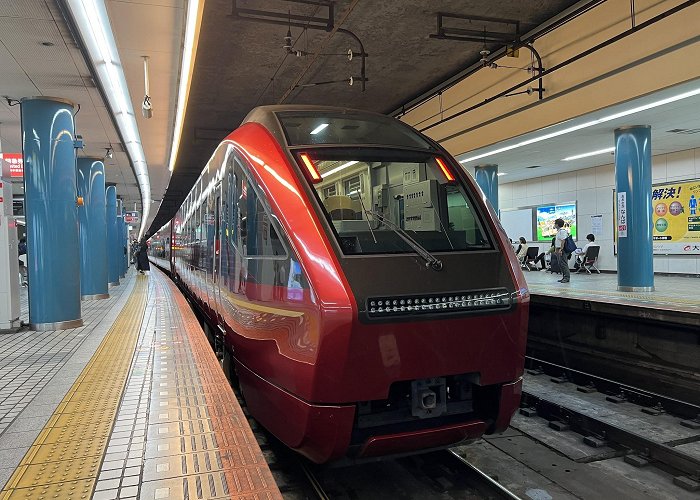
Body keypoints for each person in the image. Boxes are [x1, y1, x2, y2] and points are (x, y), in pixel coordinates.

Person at [554, 218, 570, 283]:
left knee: (563, 264)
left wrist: (561, 249)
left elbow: (563, 240)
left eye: (555, 223)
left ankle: (566, 277)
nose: (554, 225)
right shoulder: (559, 231)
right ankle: (564, 277)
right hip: (558, 249)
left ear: (557, 224)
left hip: (562, 250)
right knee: (561, 264)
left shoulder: (562, 231)